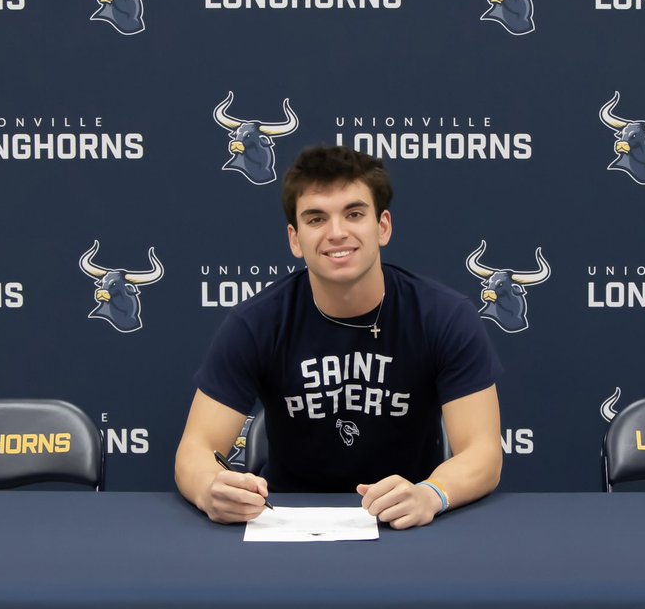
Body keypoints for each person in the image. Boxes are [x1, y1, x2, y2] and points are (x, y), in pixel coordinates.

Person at [174, 145, 502, 529]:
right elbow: (195, 449)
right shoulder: (257, 322)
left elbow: (484, 452)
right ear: (295, 240)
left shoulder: (443, 316)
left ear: (383, 227)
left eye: (354, 214)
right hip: (286, 523)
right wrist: (211, 488)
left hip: (405, 520)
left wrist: (431, 493)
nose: (336, 232)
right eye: (316, 219)